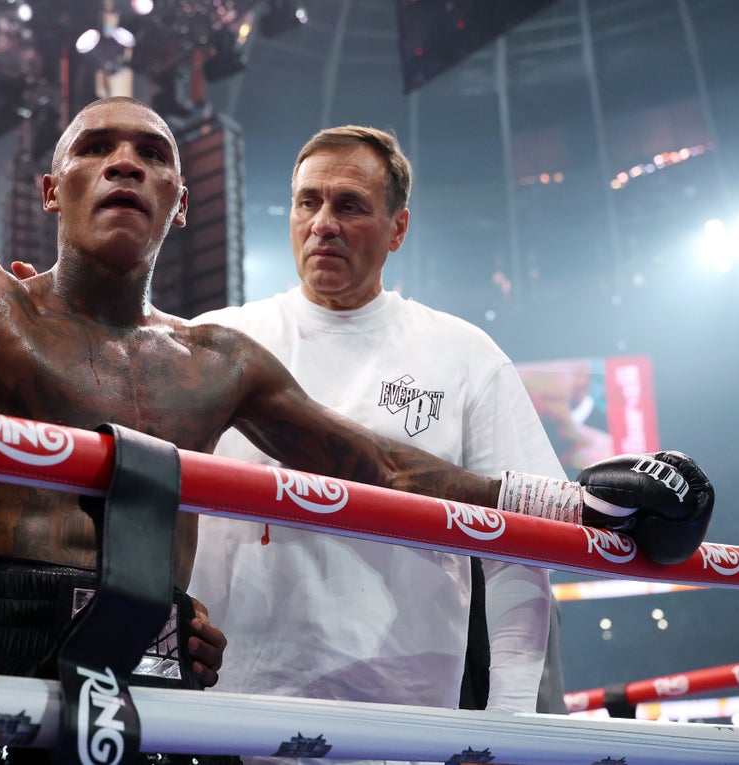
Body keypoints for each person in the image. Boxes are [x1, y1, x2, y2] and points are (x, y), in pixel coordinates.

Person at [0, 97, 713, 764]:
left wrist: (579, 503)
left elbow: (376, 464)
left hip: (164, 649)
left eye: (150, 153)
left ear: (180, 202)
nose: (124, 163)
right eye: (96, 148)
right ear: (53, 185)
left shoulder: (222, 361)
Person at [182, 126, 569, 763]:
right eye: (308, 202)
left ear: (397, 227)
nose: (323, 223)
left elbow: (522, 545)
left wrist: (510, 721)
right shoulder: (215, 340)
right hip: (226, 708)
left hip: (401, 717)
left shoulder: (465, 355)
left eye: (350, 205)